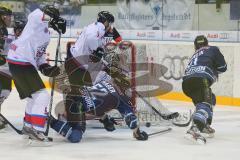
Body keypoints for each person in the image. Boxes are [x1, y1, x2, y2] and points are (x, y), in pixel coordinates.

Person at [7, 5, 66, 143]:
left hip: (22, 62)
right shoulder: (35, 19)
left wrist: (45, 67)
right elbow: (37, 14)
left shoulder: (46, 34)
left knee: (33, 97)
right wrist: (54, 18)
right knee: (42, 95)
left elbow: (39, 55)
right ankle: (37, 130)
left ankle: (28, 127)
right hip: (19, 60)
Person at [63, 11, 122, 136]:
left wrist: (102, 58)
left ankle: (101, 118)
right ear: (106, 22)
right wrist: (97, 50)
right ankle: (76, 123)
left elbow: (96, 53)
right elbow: (92, 42)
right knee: (81, 95)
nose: (110, 27)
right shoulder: (98, 28)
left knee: (87, 96)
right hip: (76, 66)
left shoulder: (94, 27)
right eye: (109, 23)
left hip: (78, 65)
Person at [50, 72, 148, 143]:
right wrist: (138, 133)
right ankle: (50, 120)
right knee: (75, 136)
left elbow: (98, 104)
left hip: (73, 96)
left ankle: (64, 118)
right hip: (79, 106)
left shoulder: (106, 80)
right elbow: (131, 120)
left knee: (81, 114)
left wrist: (105, 119)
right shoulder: (122, 99)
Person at [182, 35, 227, 144]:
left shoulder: (194, 54)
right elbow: (223, 67)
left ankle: (205, 125)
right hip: (201, 79)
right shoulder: (213, 49)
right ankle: (195, 128)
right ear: (207, 43)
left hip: (187, 83)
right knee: (206, 103)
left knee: (210, 99)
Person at [0, 5, 13, 130]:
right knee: (3, 90)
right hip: (1, 67)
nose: (10, 19)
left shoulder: (4, 29)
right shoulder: (1, 29)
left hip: (3, 67)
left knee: (4, 90)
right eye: (8, 16)